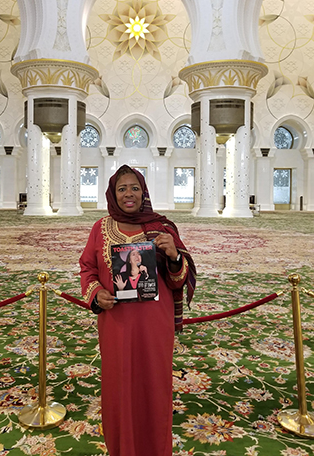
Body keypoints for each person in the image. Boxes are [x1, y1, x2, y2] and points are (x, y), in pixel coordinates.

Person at [80, 165, 196, 456]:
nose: (129, 194)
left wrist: (172, 255)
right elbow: (88, 268)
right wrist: (96, 294)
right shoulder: (100, 228)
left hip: (154, 325)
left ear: (143, 192)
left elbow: (179, 279)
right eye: (122, 189)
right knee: (118, 386)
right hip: (116, 324)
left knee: (153, 386)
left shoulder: (163, 228)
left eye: (134, 188)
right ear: (112, 194)